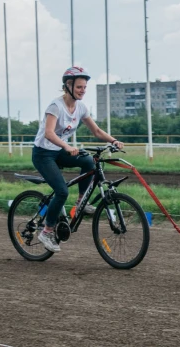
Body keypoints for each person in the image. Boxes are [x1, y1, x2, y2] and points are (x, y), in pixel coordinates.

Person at [32, 66, 124, 253]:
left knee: (89, 161)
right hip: (43, 153)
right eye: (79, 87)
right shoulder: (55, 106)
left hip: (59, 150)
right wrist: (66, 146)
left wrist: (113, 140)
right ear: (68, 85)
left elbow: (96, 131)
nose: (83, 90)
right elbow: (49, 133)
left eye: (85, 87)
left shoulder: (81, 107)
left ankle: (82, 200)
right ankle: (47, 231)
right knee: (62, 191)